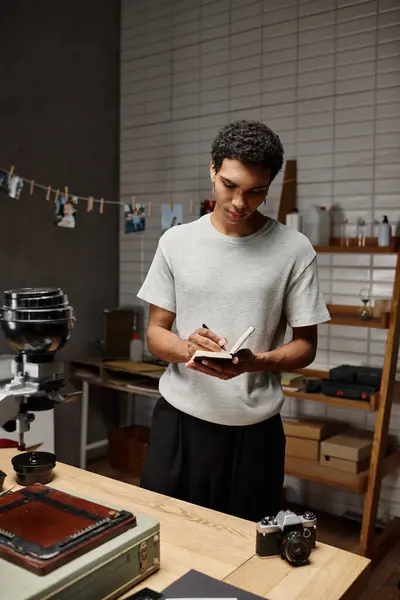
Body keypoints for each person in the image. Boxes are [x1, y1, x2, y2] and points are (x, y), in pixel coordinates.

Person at [137, 120, 330, 522]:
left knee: (246, 555)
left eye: (256, 191)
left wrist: (255, 361)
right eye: (229, 185)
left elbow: (305, 346)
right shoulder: (175, 242)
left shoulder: (294, 249)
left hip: (255, 433)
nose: (240, 202)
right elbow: (155, 334)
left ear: (270, 185)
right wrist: (191, 348)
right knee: (166, 541)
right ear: (212, 170)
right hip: (180, 426)